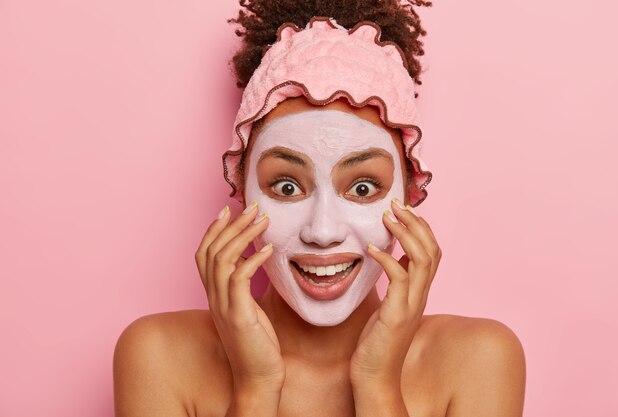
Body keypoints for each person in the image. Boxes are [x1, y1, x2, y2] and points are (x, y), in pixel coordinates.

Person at [113, 1, 526, 416]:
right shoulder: (159, 355)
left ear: (410, 194)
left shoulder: (478, 359)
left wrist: (377, 383)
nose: (323, 230)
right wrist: (257, 387)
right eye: (287, 186)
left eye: (363, 187)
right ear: (241, 191)